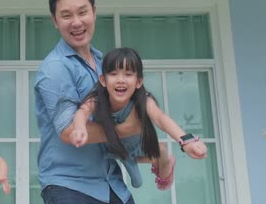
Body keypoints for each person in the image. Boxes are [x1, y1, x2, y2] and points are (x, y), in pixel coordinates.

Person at [34, 0, 143, 204]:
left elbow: (130, 116)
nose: (76, 22)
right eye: (66, 15)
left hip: (111, 184)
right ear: (54, 20)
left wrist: (157, 152)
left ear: (94, 11)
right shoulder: (54, 69)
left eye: (83, 12)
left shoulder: (106, 64)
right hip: (68, 186)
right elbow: (70, 131)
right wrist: (127, 129)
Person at [69, 47, 208, 190]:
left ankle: (164, 157)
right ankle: (154, 155)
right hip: (112, 145)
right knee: (135, 179)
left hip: (138, 145)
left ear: (138, 82)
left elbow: (160, 118)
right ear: (103, 80)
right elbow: (82, 112)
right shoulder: (97, 98)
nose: (120, 80)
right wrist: (79, 128)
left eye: (128, 74)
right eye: (114, 74)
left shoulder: (143, 100)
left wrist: (187, 141)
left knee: (149, 162)